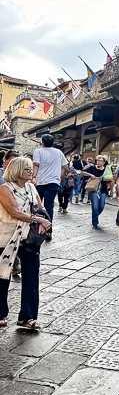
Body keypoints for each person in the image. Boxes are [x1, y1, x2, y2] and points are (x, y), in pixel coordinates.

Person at [0, 157, 51, 330]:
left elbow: (40, 206)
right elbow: (14, 211)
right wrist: (37, 219)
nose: (31, 171)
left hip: (28, 238)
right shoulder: (5, 189)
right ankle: (0, 313)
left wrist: (43, 219)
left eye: (31, 169)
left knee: (31, 277)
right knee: (2, 277)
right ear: (17, 171)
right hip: (7, 238)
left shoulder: (31, 187)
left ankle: (27, 317)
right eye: (27, 169)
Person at [32, 134, 68, 240]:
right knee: (49, 206)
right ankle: (48, 231)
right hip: (54, 182)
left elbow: (36, 165)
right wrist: (59, 177)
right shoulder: (59, 152)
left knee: (37, 206)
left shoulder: (38, 151)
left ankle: (37, 228)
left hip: (40, 182)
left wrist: (33, 177)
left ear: (42, 142)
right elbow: (65, 167)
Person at [81, 155, 109, 229]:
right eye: (98, 160)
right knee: (95, 207)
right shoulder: (92, 167)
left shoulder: (106, 169)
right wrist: (90, 175)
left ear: (104, 162)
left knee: (101, 206)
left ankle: (95, 215)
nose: (99, 162)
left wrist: (111, 190)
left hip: (103, 189)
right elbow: (82, 172)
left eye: (101, 161)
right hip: (93, 189)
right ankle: (95, 222)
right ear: (96, 161)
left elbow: (110, 178)